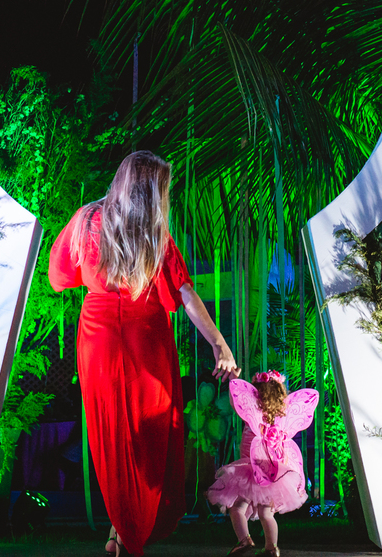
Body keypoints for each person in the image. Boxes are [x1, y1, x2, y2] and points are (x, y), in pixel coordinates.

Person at [49, 150, 240, 556]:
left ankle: (121, 529)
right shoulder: (155, 236)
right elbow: (186, 295)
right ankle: (129, 528)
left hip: (97, 342)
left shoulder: (86, 221)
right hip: (147, 342)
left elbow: (58, 277)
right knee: (148, 437)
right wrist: (218, 343)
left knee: (111, 436)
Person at [206, 371, 320, 557]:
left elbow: (237, 401)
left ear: (255, 394)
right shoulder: (280, 417)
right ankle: (272, 548)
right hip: (271, 472)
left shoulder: (252, 413)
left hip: (250, 472)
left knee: (237, 508)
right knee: (266, 513)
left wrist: (234, 380)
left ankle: (245, 541)